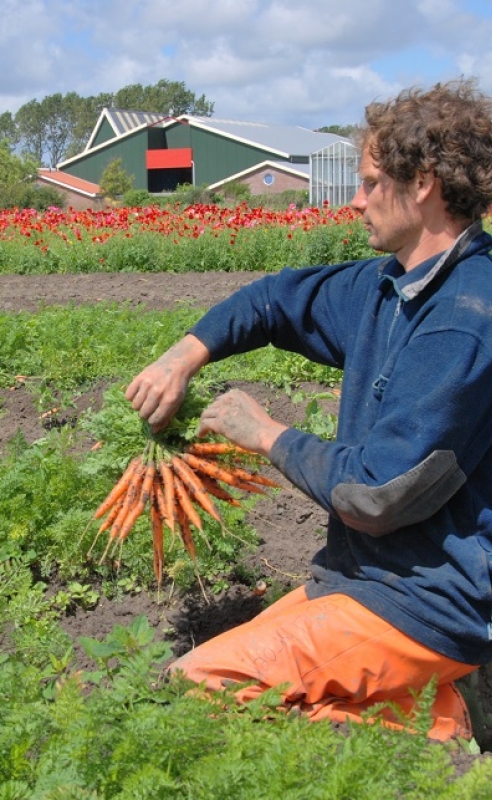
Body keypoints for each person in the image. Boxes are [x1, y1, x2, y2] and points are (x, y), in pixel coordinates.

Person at [125, 78, 492, 742]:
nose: (355, 200)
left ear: (425, 184)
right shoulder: (390, 287)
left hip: (424, 603)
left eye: (371, 182)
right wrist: (183, 357)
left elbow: (378, 492)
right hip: (362, 581)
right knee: (210, 665)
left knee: (198, 687)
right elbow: (275, 300)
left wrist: (265, 434)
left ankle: (435, 735)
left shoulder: (464, 320)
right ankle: (433, 704)